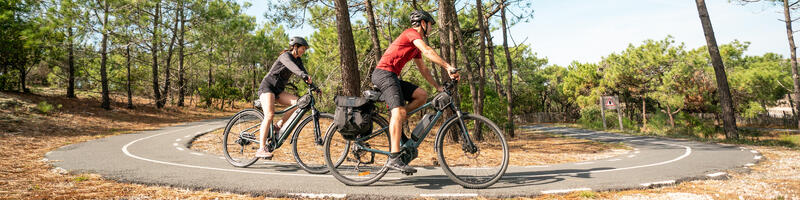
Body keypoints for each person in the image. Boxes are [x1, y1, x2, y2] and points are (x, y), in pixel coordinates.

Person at [371, 10, 459, 173]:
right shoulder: (411, 34)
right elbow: (427, 51)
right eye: (430, 25)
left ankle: (398, 119)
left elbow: (424, 70)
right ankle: (394, 157)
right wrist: (448, 66)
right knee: (397, 112)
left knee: (421, 95)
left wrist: (438, 87)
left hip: (392, 76)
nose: (431, 29)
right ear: (423, 24)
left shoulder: (414, 47)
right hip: (383, 74)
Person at [256, 36, 313, 159]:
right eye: (303, 48)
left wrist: (314, 86)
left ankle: (278, 125)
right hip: (267, 88)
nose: (304, 51)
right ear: (295, 47)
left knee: (298, 103)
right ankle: (261, 148)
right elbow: (294, 68)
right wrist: (302, 75)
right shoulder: (285, 56)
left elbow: (304, 73)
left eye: (305, 49)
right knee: (269, 115)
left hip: (278, 91)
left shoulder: (298, 60)